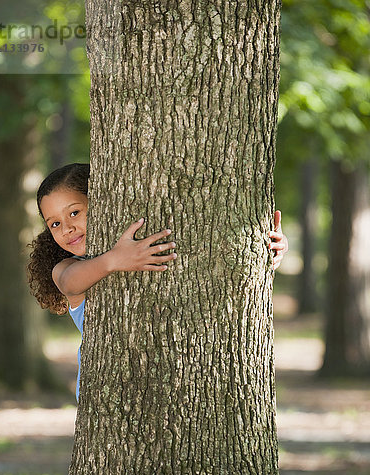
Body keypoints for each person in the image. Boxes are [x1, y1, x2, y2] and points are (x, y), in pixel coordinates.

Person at [27, 163, 288, 400]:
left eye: (74, 213)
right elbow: (69, 283)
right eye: (55, 223)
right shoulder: (68, 267)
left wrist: (269, 251)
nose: (66, 229)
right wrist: (114, 260)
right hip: (108, 390)